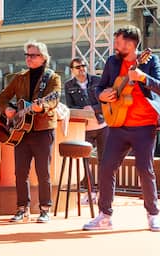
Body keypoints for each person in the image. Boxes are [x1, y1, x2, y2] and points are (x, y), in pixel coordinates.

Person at [83, 25, 160, 231]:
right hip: (117, 123)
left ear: (132, 43)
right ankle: (104, 216)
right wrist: (101, 95)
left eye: (119, 42)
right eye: (115, 41)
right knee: (107, 167)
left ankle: (153, 214)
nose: (116, 45)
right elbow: (100, 87)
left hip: (145, 125)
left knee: (145, 169)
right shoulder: (112, 61)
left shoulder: (150, 61)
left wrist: (143, 77)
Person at [0, 40, 61, 223]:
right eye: (27, 55)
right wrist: (8, 109)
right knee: (20, 171)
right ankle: (22, 208)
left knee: (43, 172)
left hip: (43, 130)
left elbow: (54, 99)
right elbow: (4, 96)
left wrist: (43, 107)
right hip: (21, 131)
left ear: (43, 58)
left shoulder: (52, 78)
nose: (29, 58)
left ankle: (45, 209)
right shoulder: (19, 77)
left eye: (33, 55)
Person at [64, 57, 108, 204]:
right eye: (78, 67)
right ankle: (90, 191)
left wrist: (93, 108)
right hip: (84, 128)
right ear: (72, 70)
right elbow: (70, 107)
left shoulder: (97, 80)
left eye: (83, 66)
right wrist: (83, 110)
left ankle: (103, 192)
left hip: (102, 126)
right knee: (84, 161)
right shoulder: (68, 85)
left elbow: (107, 102)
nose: (81, 68)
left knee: (105, 161)